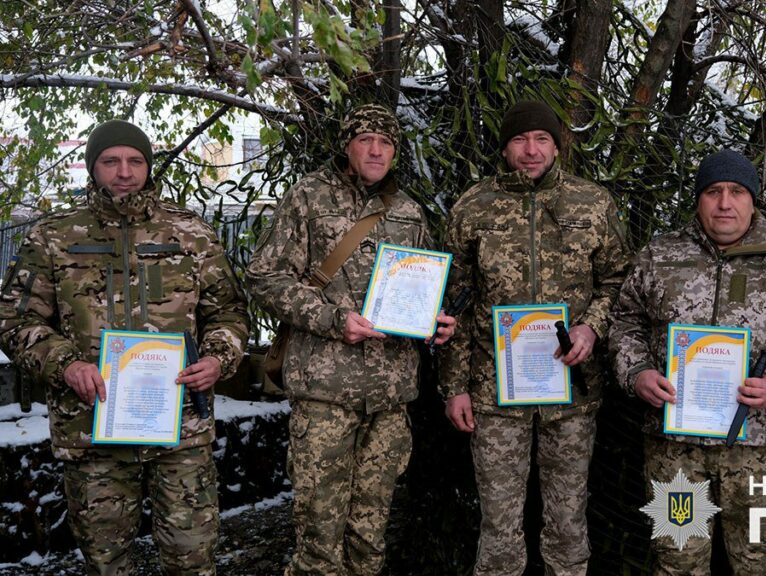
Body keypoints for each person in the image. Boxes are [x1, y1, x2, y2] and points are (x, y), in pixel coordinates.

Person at [0, 119, 250, 575]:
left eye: (135, 161)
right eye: (110, 160)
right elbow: (14, 318)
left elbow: (230, 312)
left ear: (148, 167)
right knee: (106, 562)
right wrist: (65, 364)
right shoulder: (54, 236)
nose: (124, 172)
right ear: (93, 167)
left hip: (180, 426)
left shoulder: (189, 231)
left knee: (192, 557)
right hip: (93, 427)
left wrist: (218, 357)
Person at [246, 103, 456, 576]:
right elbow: (264, 277)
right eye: (366, 140)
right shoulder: (308, 198)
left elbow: (420, 287)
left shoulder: (408, 212)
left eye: (385, 143)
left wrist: (436, 320)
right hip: (325, 393)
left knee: (370, 533)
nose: (376, 150)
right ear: (347, 146)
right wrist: (330, 318)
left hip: (389, 396)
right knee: (319, 536)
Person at [608, 149, 766, 575]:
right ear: (698, 199)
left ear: (753, 199)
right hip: (675, 448)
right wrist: (637, 374)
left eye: (736, 191)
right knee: (677, 559)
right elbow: (624, 322)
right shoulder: (660, 255)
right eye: (713, 191)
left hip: (759, 448)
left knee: (760, 563)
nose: (725, 202)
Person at [440, 100, 630, 575]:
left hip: (571, 390)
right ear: (505, 150)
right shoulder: (473, 206)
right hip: (493, 393)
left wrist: (592, 327)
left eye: (541, 139)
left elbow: (619, 281)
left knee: (567, 520)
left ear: (557, 145)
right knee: (499, 524)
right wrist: (455, 386)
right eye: (520, 140)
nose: (531, 150)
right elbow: (453, 303)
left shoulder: (593, 203)